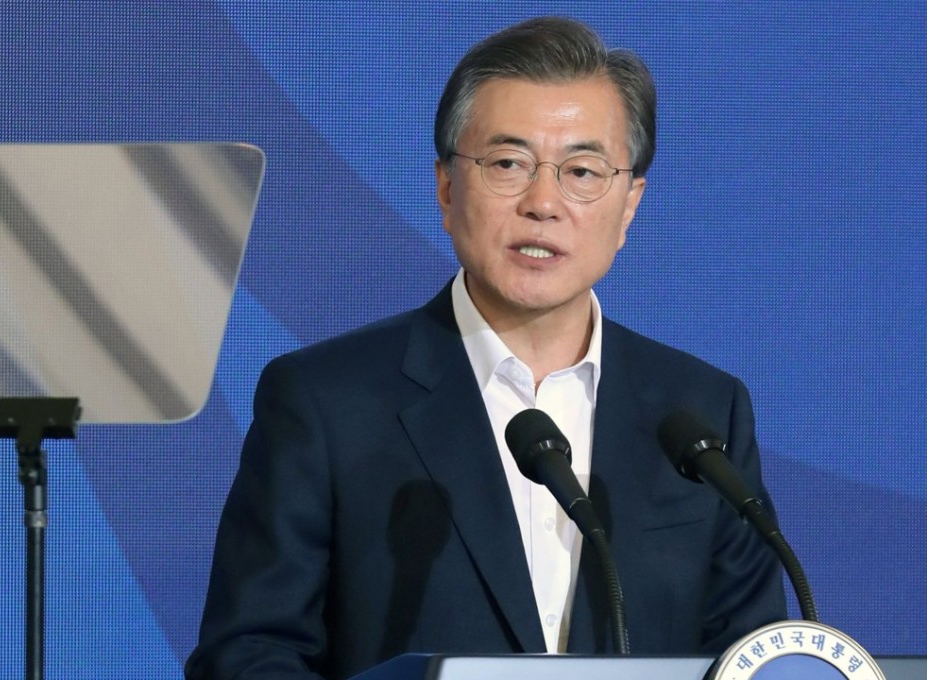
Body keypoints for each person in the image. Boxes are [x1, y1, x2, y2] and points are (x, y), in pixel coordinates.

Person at [185, 16, 786, 680]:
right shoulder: (327, 402)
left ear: (630, 204)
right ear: (446, 187)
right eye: (508, 164)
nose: (544, 203)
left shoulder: (700, 413)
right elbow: (248, 656)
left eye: (582, 171)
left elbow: (753, 656)